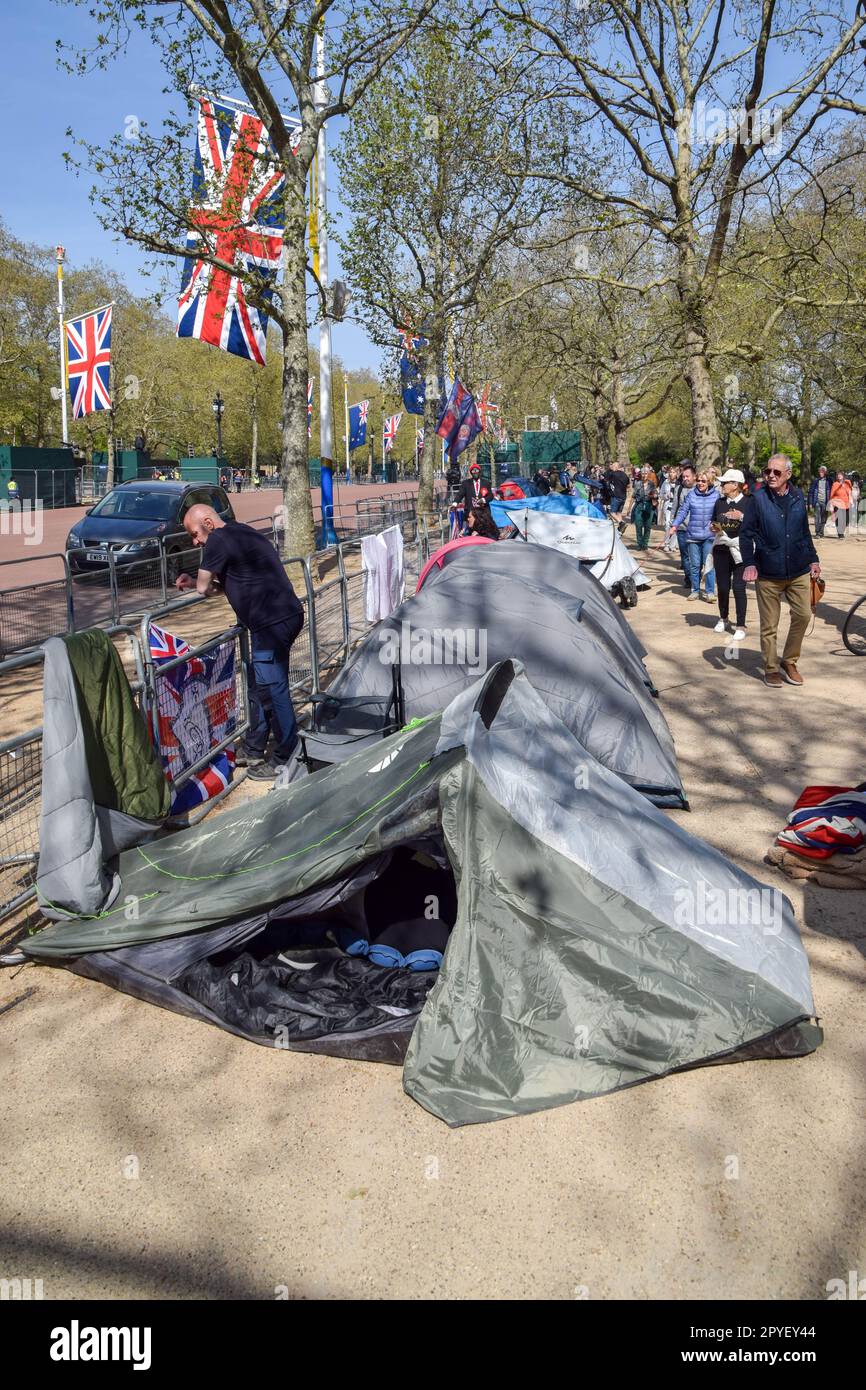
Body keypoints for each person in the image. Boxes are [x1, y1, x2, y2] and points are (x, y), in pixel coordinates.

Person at [176, 504, 305, 777]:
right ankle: (255, 746)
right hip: (281, 618)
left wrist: (195, 584)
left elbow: (203, 587)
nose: (195, 541)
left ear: (209, 523)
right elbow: (230, 585)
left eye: (195, 533)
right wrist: (196, 584)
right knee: (260, 686)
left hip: (270, 624)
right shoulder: (243, 532)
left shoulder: (218, 540)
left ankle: (287, 754)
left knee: (273, 689)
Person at [739, 454, 821, 687]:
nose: (771, 476)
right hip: (768, 572)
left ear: (788, 474)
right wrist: (750, 563)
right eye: (768, 472)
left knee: (804, 615)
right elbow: (745, 534)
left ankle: (790, 660)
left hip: (798, 569)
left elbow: (805, 531)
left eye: (776, 472)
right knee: (769, 625)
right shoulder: (757, 498)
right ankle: (771, 668)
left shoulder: (798, 496)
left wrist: (813, 559)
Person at [664, 470, 719, 601]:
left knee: (709, 564)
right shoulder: (691, 495)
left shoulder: (716, 496)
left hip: (710, 536)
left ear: (709, 482)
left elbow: (720, 513)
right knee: (694, 565)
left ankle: (710, 591)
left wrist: (719, 527)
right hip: (693, 535)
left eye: (703, 481)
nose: (700, 483)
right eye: (699, 480)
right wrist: (674, 525)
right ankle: (695, 590)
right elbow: (683, 511)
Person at [710, 468, 748, 640]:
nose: (722, 485)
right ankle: (723, 618)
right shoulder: (719, 502)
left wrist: (741, 517)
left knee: (739, 588)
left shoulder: (749, 502)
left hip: (741, 551)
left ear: (735, 485)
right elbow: (714, 521)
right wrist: (714, 528)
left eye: (725, 482)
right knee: (723, 588)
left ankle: (741, 625)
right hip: (721, 549)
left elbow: (756, 525)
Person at [665, 462, 697, 585]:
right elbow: (675, 506)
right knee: (685, 554)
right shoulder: (679, 489)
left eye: (687, 476)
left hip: (696, 528)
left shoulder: (700, 489)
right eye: (683, 477)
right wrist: (673, 520)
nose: (685, 479)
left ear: (694, 476)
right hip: (682, 527)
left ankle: (695, 577)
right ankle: (689, 578)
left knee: (695, 556)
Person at [631, 467, 658, 550]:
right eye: (642, 473)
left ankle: (645, 544)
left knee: (647, 526)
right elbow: (633, 496)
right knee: (638, 525)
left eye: (646, 473)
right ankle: (639, 544)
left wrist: (654, 496)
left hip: (649, 506)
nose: (644, 475)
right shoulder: (637, 483)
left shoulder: (651, 484)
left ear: (648, 474)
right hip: (639, 506)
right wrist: (629, 508)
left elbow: (656, 494)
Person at [807, 465, 831, 537]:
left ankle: (821, 531)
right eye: (820, 471)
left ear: (825, 472)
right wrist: (810, 503)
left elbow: (832, 491)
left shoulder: (829, 481)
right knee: (817, 517)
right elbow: (811, 492)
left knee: (824, 517)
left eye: (823, 471)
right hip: (817, 501)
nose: (821, 473)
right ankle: (817, 532)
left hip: (826, 502)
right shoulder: (815, 480)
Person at [829, 471, 852, 538]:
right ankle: (840, 533)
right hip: (838, 503)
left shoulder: (848, 482)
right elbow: (832, 495)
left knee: (847, 520)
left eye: (840, 475)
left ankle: (842, 530)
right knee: (839, 519)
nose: (839, 476)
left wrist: (851, 500)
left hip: (846, 503)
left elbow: (850, 492)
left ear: (843, 475)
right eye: (838, 475)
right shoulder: (835, 484)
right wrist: (831, 504)